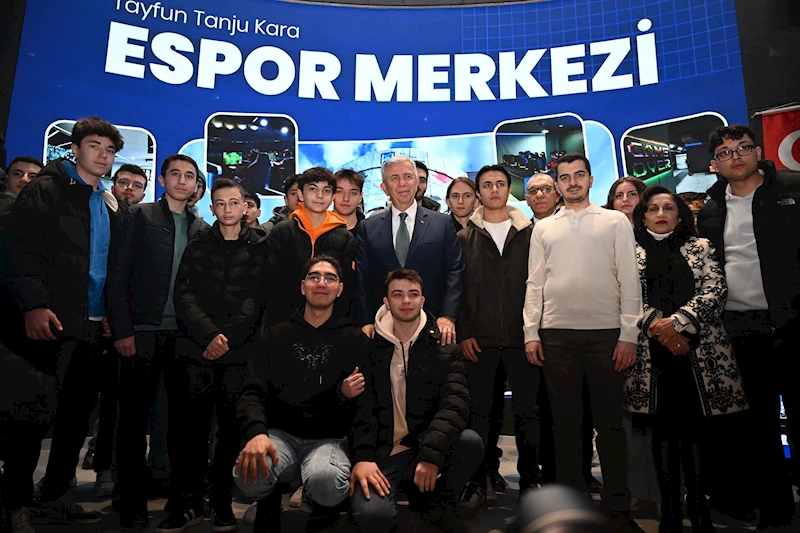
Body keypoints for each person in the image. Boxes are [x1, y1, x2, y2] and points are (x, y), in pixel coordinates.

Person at [0, 116, 125, 530]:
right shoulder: (47, 189)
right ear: (74, 149)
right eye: (94, 146)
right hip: (49, 321)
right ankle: (16, 502)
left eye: (109, 150)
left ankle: (55, 497)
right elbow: (19, 251)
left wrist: (108, 314)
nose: (103, 155)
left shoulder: (107, 200)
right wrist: (33, 305)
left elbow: (107, 265)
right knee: (32, 414)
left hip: (92, 324)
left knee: (75, 417)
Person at [523, 153, 643, 532]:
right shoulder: (544, 228)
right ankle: (572, 509)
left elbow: (629, 280)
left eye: (579, 175)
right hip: (556, 337)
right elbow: (535, 284)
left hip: (607, 336)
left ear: (591, 180)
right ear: (557, 184)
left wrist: (629, 335)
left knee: (609, 426)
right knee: (566, 426)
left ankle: (618, 508)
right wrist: (531, 332)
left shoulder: (614, 222)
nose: (572, 182)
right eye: (565, 177)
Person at [626, 186, 748, 532]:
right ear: (643, 216)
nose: (660, 213)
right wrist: (661, 329)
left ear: (680, 216)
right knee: (662, 434)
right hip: (652, 359)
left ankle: (698, 507)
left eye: (668, 207)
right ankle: (670, 510)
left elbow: (716, 290)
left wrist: (678, 323)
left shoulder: (701, 247)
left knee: (695, 433)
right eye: (653, 208)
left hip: (699, 355)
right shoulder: (628, 252)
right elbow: (624, 296)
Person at [697, 124, 800, 531]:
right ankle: (776, 514)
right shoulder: (711, 209)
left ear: (757, 151)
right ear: (715, 163)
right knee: (758, 429)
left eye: (742, 147)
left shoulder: (791, 189)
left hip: (792, 323)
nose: (734, 156)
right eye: (724, 152)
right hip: (740, 328)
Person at [107, 153, 208, 529]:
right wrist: (123, 329)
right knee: (133, 423)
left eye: (189, 176)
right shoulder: (139, 216)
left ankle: (181, 501)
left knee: (183, 425)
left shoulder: (201, 226)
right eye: (175, 174)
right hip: (141, 333)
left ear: (196, 184)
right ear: (162, 180)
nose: (182, 181)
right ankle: (131, 501)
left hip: (184, 337)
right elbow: (117, 275)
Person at [234, 256, 368, 533]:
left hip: (329, 439)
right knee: (249, 473)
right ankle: (268, 502)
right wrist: (256, 433)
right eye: (314, 277)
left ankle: (324, 507)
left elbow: (367, 407)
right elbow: (251, 391)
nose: (321, 283)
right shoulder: (274, 335)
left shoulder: (355, 340)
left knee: (327, 482)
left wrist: (343, 396)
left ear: (340, 289)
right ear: (303, 286)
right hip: (280, 435)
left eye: (330, 278)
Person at [166, 178, 267, 532]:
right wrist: (209, 334)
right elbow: (184, 294)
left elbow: (257, 299)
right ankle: (188, 503)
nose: (227, 209)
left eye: (234, 202)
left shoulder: (260, 247)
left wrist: (227, 338)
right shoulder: (198, 244)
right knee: (190, 432)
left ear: (245, 206)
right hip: (196, 349)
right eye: (220, 203)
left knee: (229, 433)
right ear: (211, 208)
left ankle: (222, 501)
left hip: (238, 352)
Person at [350, 269, 483, 533]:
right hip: (383, 454)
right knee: (373, 519)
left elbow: (455, 406)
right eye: (397, 295)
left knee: (469, 442)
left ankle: (437, 502)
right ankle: (411, 498)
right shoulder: (367, 346)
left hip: (423, 446)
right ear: (386, 302)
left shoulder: (445, 348)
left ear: (423, 300)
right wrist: (363, 457)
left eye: (413, 294)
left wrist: (431, 456)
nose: (406, 301)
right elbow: (361, 409)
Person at [457, 165, 542, 505]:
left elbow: (540, 286)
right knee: (482, 414)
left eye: (501, 184)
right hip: (480, 341)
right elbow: (458, 290)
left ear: (509, 189)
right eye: (487, 184)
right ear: (478, 192)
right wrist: (465, 331)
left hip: (524, 340)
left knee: (528, 413)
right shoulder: (464, 237)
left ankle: (531, 480)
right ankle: (479, 480)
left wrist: (536, 331)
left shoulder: (530, 233)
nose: (494, 189)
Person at [355, 155, 464, 345]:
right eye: (394, 178)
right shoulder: (368, 227)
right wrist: (365, 321)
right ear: (384, 187)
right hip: (383, 329)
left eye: (408, 176)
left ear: (417, 182)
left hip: (434, 328)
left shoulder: (442, 223)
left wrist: (448, 316)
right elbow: (362, 278)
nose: (402, 183)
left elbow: (455, 271)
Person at [263, 167, 355, 325]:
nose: (320, 196)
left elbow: (347, 287)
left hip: (330, 323)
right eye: (313, 189)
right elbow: (270, 282)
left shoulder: (345, 237)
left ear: (333, 197)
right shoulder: (282, 231)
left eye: (326, 191)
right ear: (300, 194)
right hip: (284, 321)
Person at [333, 169, 365, 239]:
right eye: (339, 192)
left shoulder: (370, 231)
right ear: (332, 195)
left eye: (353, 193)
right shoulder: (318, 229)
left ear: (360, 197)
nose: (346, 198)